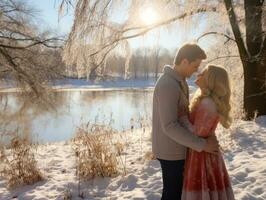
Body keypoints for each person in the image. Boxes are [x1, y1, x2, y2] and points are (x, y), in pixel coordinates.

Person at [152, 43, 219, 200]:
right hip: (170, 151)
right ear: (184, 62)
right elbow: (169, 126)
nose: (196, 70)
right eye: (195, 66)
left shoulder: (179, 82)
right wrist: (203, 145)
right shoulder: (168, 85)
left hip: (179, 147)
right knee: (172, 193)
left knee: (177, 192)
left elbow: (183, 116)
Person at [181, 65, 235, 200]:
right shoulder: (206, 100)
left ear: (211, 80)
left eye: (203, 73)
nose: (199, 74)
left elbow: (197, 132)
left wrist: (182, 118)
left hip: (202, 156)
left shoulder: (208, 103)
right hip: (204, 151)